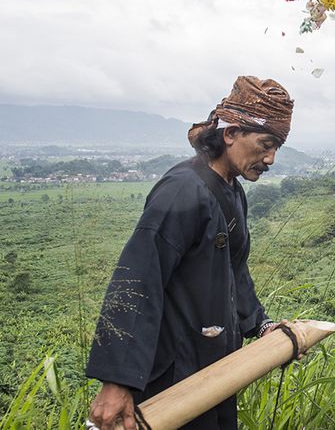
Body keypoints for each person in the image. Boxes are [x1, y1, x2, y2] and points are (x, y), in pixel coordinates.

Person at [85, 76, 294, 429]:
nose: (271, 158)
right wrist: (117, 381)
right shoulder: (182, 191)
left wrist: (261, 325)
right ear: (230, 134)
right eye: (265, 144)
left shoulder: (232, 191)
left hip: (215, 373)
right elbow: (138, 281)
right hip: (173, 378)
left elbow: (234, 272)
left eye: (277, 148)